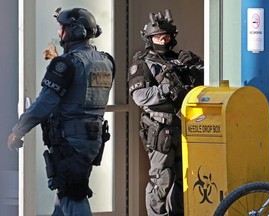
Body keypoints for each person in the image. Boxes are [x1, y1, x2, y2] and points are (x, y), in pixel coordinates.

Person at [7, 7, 115, 216]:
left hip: (70, 141)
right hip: (92, 140)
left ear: (74, 31)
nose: (58, 33)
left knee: (72, 197)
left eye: (62, 27)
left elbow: (44, 104)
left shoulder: (67, 63)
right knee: (64, 197)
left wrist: (18, 130)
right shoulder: (106, 60)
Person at [128, 9, 204, 216]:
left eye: (166, 36)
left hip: (186, 126)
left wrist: (198, 67)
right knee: (161, 179)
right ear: (149, 38)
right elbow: (139, 96)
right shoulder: (143, 61)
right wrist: (167, 89)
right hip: (160, 128)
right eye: (158, 36)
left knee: (186, 177)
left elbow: (204, 87)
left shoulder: (181, 59)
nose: (162, 39)